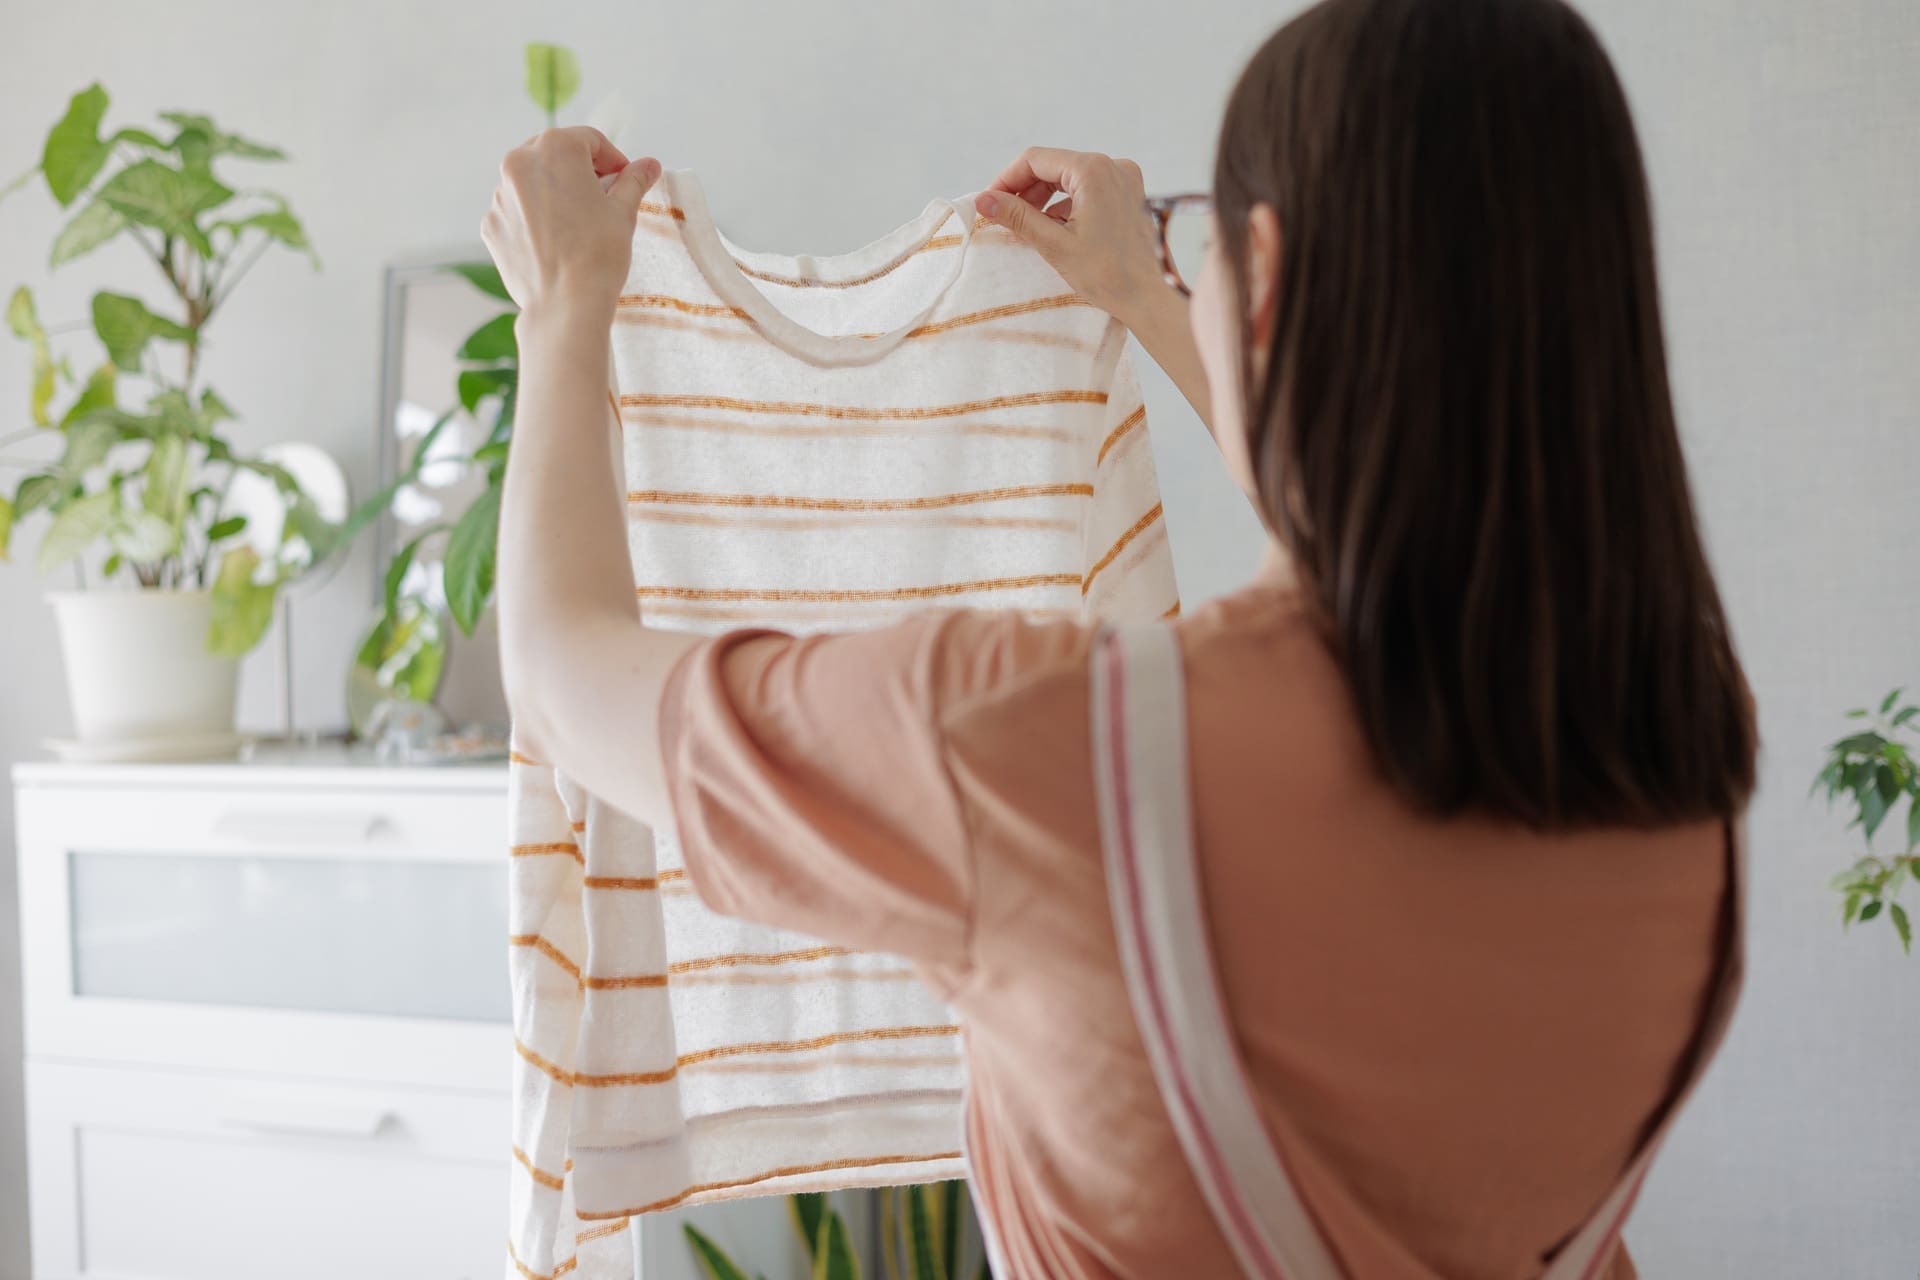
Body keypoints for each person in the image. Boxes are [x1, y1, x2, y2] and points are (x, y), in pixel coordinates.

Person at [480, 0, 1756, 1273]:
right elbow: (1397, 568)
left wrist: (565, 308)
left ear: (1260, 281)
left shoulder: (1050, 749)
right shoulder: (1676, 749)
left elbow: (562, 665)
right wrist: (1148, 298)